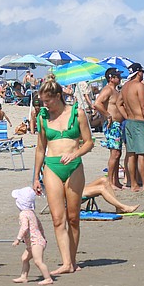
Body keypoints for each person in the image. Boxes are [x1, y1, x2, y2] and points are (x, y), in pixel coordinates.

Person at [33, 74, 94, 275]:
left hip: (74, 166)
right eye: (43, 101)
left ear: (58, 96)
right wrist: (35, 177)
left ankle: (73, 261)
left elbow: (89, 142)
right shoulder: (42, 117)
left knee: (73, 217)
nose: (46, 105)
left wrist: (75, 153)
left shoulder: (77, 114)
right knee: (58, 218)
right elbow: (40, 149)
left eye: (48, 101)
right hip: (51, 167)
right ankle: (66, 263)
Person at [120, 62, 144, 191]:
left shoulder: (125, 86)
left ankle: (134, 184)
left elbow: (119, 104)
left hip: (129, 122)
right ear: (139, 72)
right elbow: (143, 106)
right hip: (140, 122)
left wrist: (126, 116)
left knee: (131, 154)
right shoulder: (139, 86)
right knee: (142, 155)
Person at [10, 187, 53, 285]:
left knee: (38, 261)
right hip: (34, 242)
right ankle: (23, 276)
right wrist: (43, 237)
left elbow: (24, 228)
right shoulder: (31, 213)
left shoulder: (23, 214)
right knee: (25, 258)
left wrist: (18, 239)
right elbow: (39, 226)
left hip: (36, 242)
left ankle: (48, 278)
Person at [94, 68, 126, 190]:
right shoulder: (108, 89)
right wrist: (108, 115)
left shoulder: (115, 90)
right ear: (111, 78)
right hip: (112, 125)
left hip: (117, 125)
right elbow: (97, 103)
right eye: (117, 76)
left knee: (118, 153)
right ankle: (110, 182)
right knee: (115, 153)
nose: (120, 78)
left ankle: (116, 181)